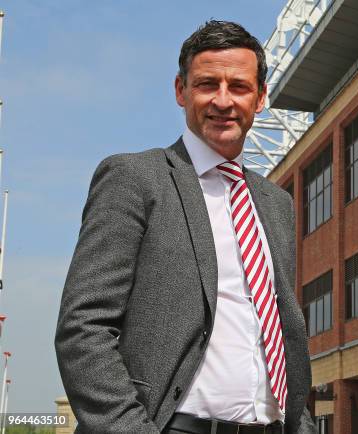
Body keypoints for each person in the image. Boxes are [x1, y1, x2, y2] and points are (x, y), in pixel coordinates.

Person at [55, 20, 316, 434]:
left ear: (262, 97)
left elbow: (278, 329)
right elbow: (83, 327)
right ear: (181, 90)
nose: (223, 101)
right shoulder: (135, 178)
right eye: (207, 84)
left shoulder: (275, 203)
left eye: (240, 87)